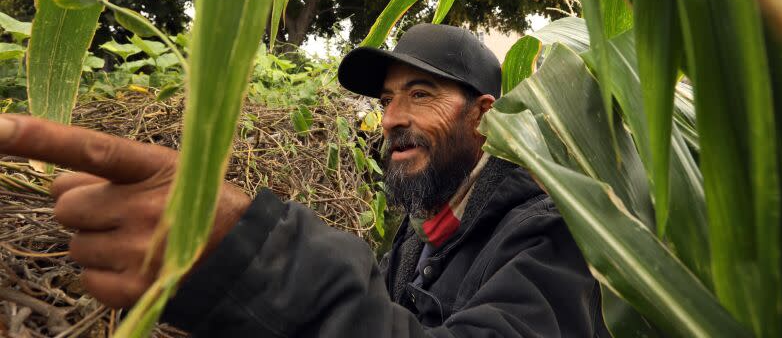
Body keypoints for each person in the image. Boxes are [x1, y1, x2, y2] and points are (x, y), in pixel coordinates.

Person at [0, 23, 606, 336]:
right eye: (390, 99)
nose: (392, 118)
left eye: (421, 95)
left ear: (484, 116)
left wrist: (258, 257)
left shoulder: (548, 240)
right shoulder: (423, 226)